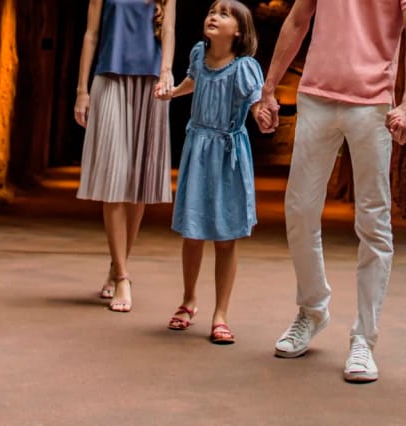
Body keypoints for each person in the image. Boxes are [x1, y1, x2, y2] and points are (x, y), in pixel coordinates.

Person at [250, 0, 406, 384]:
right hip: (316, 96)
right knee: (299, 210)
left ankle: (364, 337)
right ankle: (313, 309)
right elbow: (298, 18)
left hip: (372, 104)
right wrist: (268, 89)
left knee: (373, 223)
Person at [155, 0, 263, 345]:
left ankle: (221, 314)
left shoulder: (244, 66)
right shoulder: (199, 54)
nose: (213, 16)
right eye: (212, 11)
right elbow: (193, 80)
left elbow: (257, 100)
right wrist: (173, 93)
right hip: (197, 147)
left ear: (240, 32)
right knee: (193, 229)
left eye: (224, 14)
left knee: (226, 236)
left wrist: (263, 113)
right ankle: (188, 301)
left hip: (228, 154)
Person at [73, 0, 177, 313]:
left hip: (151, 84)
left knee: (139, 184)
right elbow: (91, 35)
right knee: (114, 179)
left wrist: (166, 73)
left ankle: (118, 264)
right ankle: (122, 276)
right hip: (109, 78)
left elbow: (169, 30)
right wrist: (82, 90)